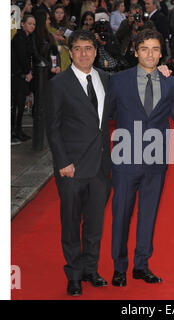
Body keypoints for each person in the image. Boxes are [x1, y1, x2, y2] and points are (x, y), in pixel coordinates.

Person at [109, 29, 174, 287]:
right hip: (125, 160)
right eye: (144, 49)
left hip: (156, 162)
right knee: (121, 215)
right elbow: (102, 115)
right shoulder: (118, 81)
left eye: (155, 49)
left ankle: (141, 265)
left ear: (161, 53)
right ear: (135, 51)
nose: (150, 54)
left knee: (148, 215)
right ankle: (119, 267)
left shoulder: (170, 83)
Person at [45, 29, 112, 296]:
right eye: (78, 49)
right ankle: (73, 274)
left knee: (95, 223)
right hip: (71, 167)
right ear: (70, 52)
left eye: (89, 48)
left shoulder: (106, 79)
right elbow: (53, 127)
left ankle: (90, 269)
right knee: (72, 222)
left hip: (100, 166)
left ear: (96, 52)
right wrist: (63, 162)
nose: (84, 54)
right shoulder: (58, 84)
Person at [11, 14, 36, 144]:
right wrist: (27, 72)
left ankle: (18, 130)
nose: (32, 26)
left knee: (21, 105)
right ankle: (13, 131)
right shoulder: (18, 38)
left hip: (25, 75)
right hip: (18, 76)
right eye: (29, 23)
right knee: (17, 105)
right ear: (22, 24)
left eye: (34, 24)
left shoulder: (30, 38)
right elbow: (21, 56)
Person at [49, 3, 72, 71]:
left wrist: (64, 39)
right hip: (53, 54)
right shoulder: (49, 27)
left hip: (64, 54)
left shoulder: (67, 26)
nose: (59, 15)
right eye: (57, 12)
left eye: (62, 13)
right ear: (53, 13)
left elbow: (70, 42)